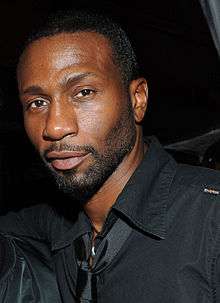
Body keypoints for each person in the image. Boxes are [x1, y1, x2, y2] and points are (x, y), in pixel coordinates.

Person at [1, 9, 220, 302]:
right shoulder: (52, 223)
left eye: (83, 93)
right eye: (37, 102)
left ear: (137, 99)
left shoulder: (209, 221)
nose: (54, 127)